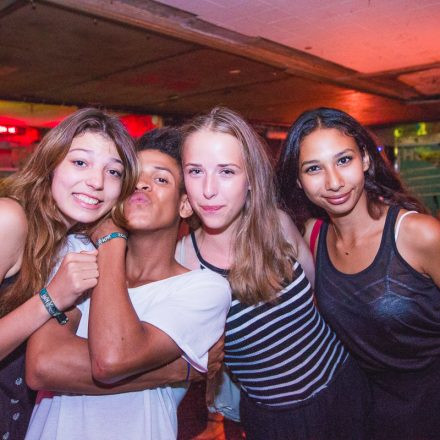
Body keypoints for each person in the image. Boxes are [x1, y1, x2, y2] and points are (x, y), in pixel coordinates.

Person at [176, 107, 371, 440]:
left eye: (226, 171)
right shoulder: (182, 263)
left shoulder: (277, 225)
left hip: (345, 391)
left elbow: (317, 295)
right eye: (196, 171)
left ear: (251, 178)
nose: (208, 189)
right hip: (275, 422)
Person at [25, 127, 231, 440]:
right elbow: (43, 365)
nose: (141, 183)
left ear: (185, 205)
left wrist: (110, 240)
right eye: (132, 175)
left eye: (161, 179)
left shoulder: (203, 289)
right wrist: (175, 370)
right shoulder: (76, 254)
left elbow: (111, 358)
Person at [276, 107, 440, 440]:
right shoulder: (312, 236)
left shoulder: (418, 234)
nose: (334, 182)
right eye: (313, 168)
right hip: (370, 412)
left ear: (364, 159)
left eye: (344, 160)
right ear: (298, 181)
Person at [0, 108, 138, 440]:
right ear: (51, 163)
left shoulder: (72, 241)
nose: (97, 182)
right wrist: (51, 298)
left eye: (113, 172)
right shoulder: (10, 218)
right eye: (80, 162)